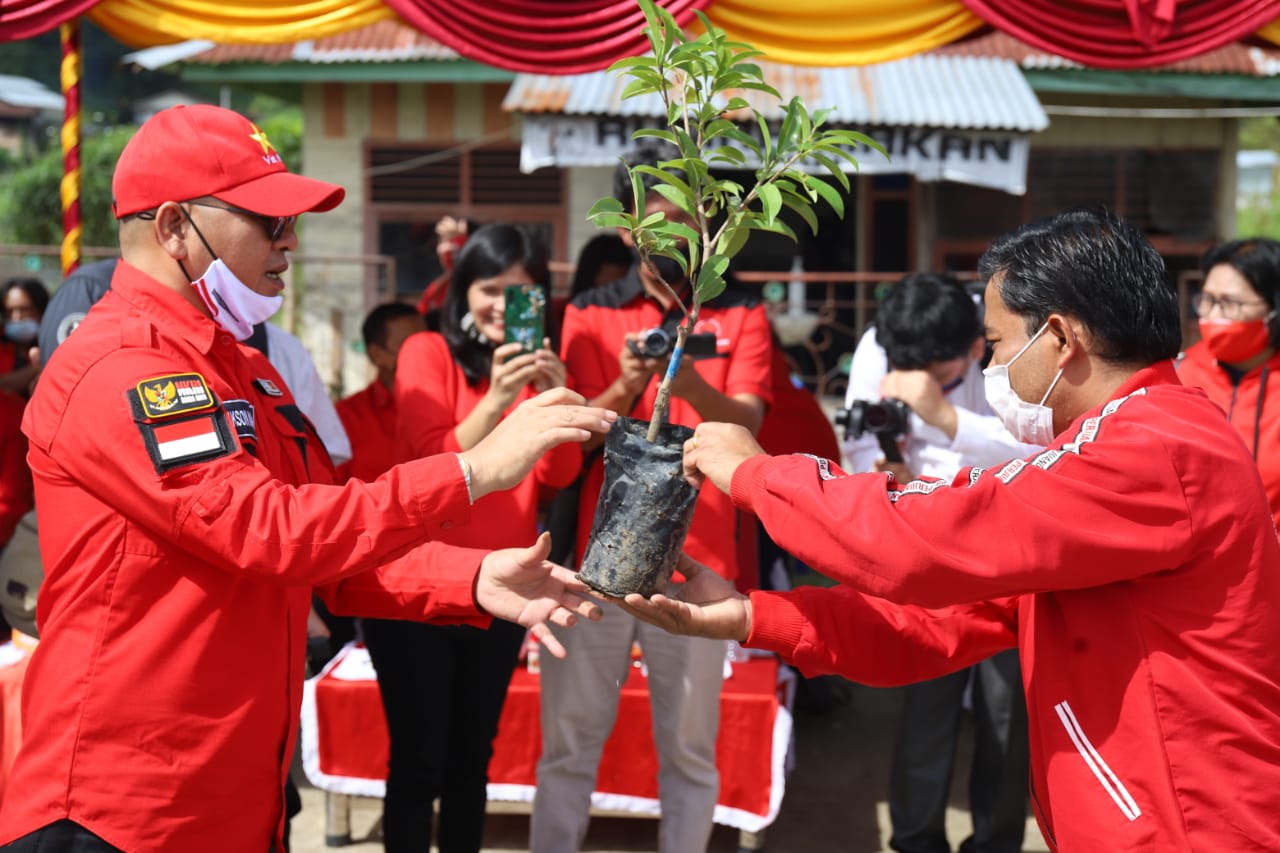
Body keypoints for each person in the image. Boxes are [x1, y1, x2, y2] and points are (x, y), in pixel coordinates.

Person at [0, 104, 616, 853]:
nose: (290, 244)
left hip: (236, 794)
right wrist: (475, 470)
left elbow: (326, 529)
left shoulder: (243, 367)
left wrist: (472, 575)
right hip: (124, 808)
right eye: (268, 222)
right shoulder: (122, 367)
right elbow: (271, 531)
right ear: (171, 228)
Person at [623, 207, 1280, 851]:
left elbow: (922, 538)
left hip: (1189, 826)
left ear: (1059, 337)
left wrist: (756, 475)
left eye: (994, 345)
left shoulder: (1155, 447)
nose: (990, 369)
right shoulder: (1133, 438)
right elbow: (946, 618)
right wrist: (753, 615)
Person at [532, 144, 774, 853]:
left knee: (690, 749)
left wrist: (683, 373)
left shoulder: (743, 312)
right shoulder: (585, 313)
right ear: (627, 227)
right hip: (595, 568)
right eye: (660, 217)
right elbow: (567, 441)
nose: (677, 231)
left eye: (691, 215)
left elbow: (750, 421)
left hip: (697, 569)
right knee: (568, 746)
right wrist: (626, 383)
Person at [366, 224, 574, 853]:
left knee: (470, 761)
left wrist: (553, 397)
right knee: (419, 759)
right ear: (464, 292)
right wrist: (502, 396)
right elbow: (433, 458)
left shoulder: (534, 368)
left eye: (522, 291)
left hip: (501, 589)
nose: (501, 304)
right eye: (490, 288)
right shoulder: (426, 353)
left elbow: (557, 477)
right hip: (418, 586)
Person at [844, 273, 1035, 853]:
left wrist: (951, 424)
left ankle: (996, 841)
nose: (925, 384)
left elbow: (1046, 453)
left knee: (1007, 714)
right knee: (926, 699)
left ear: (978, 346)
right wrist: (883, 474)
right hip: (928, 551)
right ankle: (916, 839)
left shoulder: (1015, 341)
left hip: (1010, 554)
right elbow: (860, 448)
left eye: (942, 374)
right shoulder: (883, 346)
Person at [1175, 238, 1280, 526]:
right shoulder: (1176, 377)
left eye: (1229, 303)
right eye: (1207, 300)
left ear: (1273, 310)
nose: (1212, 316)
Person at [334, 302, 424, 484]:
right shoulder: (347, 417)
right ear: (376, 354)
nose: (424, 353)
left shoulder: (450, 404)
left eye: (428, 343)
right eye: (410, 346)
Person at [0, 277, 49, 397]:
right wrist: (37, 368)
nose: (16, 317)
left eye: (25, 309)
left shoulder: (50, 341)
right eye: (10, 311)